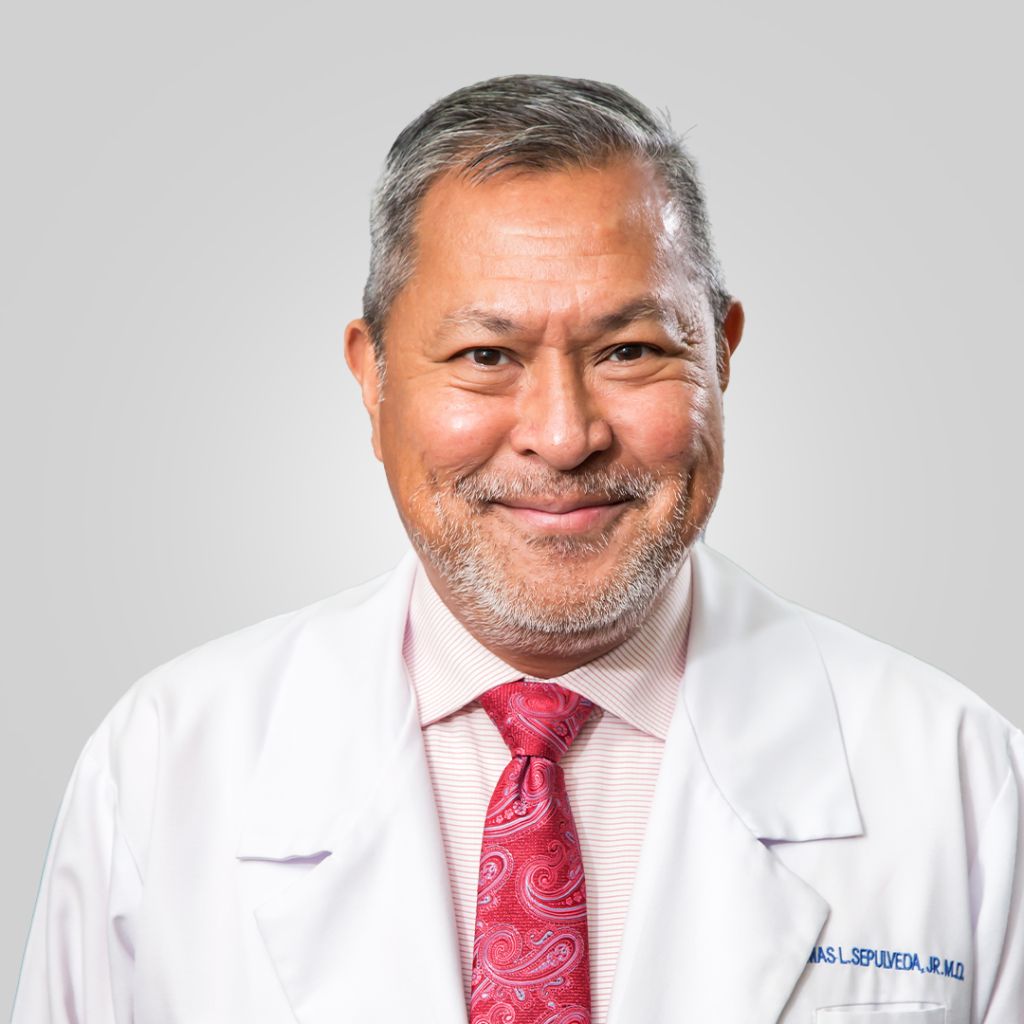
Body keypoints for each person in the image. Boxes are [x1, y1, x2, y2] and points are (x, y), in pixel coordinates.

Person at [11, 75, 1022, 1024]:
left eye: (630, 351)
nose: (563, 435)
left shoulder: (960, 780)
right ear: (371, 380)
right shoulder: (163, 765)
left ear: (722, 355)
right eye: (485, 356)